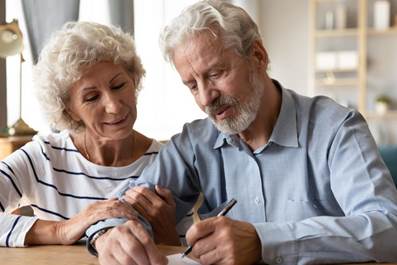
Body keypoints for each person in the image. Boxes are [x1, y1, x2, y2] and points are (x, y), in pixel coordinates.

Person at [87, 1, 397, 265]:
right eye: (193, 85)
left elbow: (389, 229)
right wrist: (107, 234)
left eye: (216, 74)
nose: (206, 98)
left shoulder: (337, 128)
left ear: (258, 57)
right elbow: (125, 201)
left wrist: (265, 241)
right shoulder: (196, 142)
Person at [0, 21, 180, 248]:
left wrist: (166, 235)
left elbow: (190, 258)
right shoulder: (44, 157)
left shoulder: (169, 162)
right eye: (92, 97)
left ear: (134, 80)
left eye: (118, 86)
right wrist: (61, 229)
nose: (114, 106)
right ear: (68, 110)